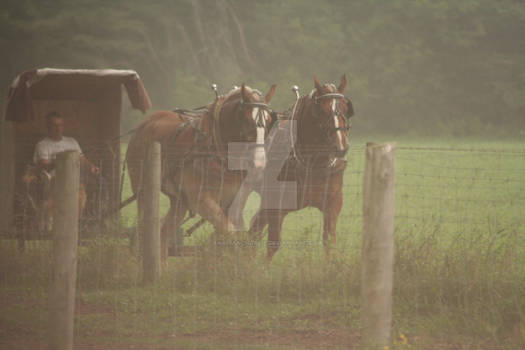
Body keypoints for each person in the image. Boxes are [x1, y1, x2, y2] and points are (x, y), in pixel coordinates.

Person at [33, 111, 100, 175]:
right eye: (55, 125)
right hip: (53, 182)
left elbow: (81, 159)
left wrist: (91, 167)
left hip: (73, 180)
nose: (58, 129)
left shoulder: (72, 141)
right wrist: (60, 161)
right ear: (48, 127)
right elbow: (44, 168)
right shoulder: (42, 145)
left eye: (60, 125)